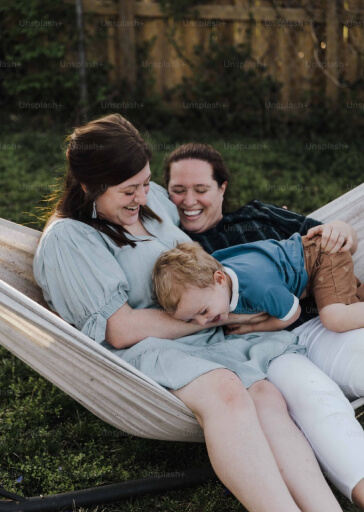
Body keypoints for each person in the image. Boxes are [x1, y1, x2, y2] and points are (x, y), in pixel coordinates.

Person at [33, 114, 348, 512]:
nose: (144, 197)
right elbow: (119, 329)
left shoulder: (155, 201)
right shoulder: (70, 239)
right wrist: (224, 317)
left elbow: (204, 238)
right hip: (144, 349)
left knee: (268, 396)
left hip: (206, 337)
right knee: (226, 391)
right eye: (129, 190)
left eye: (146, 183)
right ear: (89, 186)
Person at [164, 142, 364, 507]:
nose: (188, 200)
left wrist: (341, 230)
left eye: (200, 189)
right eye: (177, 190)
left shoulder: (257, 216)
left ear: (222, 187)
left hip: (321, 318)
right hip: (265, 352)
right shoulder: (175, 254)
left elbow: (325, 239)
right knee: (316, 400)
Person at [153, 235, 364, 333]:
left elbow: (292, 313)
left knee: (335, 318)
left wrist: (254, 327)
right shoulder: (216, 277)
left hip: (321, 259)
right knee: (353, 297)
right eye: (191, 320)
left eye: (203, 311)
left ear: (218, 279)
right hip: (309, 261)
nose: (202, 322)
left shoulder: (257, 287)